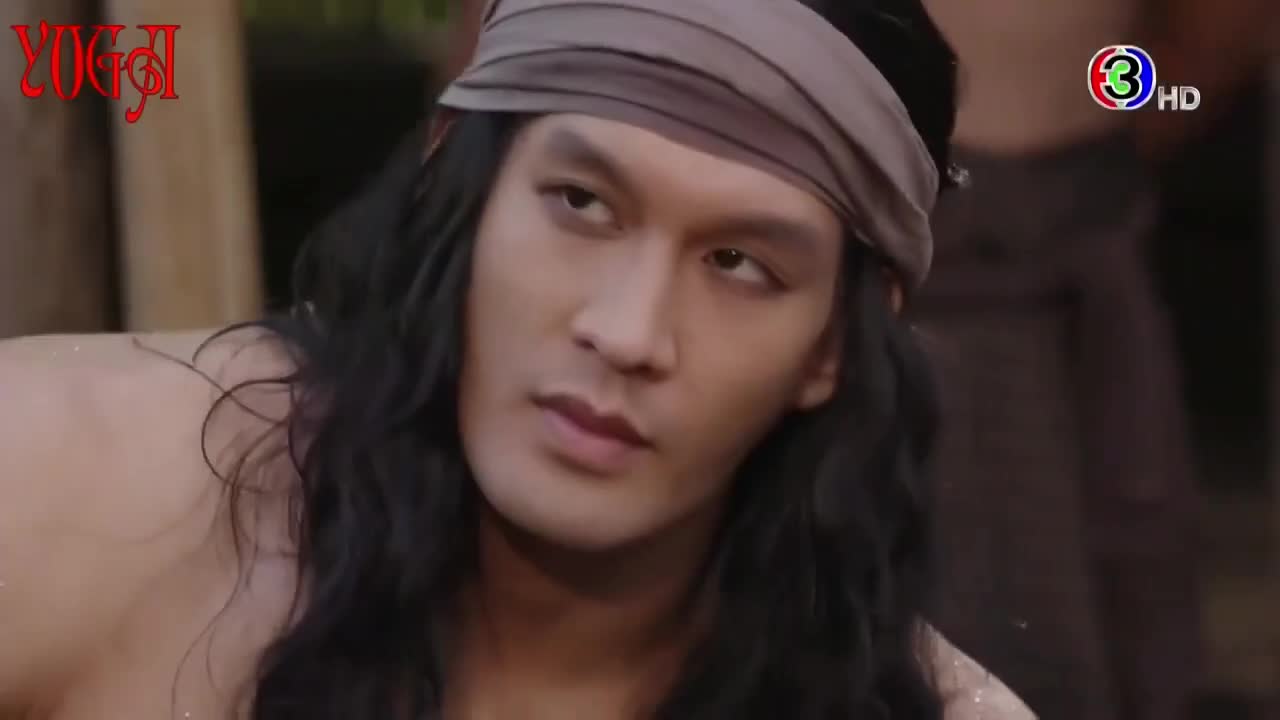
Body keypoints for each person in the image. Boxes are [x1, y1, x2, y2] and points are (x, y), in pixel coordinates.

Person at [0, 1, 1035, 718]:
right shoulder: (70, 487)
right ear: (452, 176)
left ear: (836, 342)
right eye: (580, 203)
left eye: (738, 264)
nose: (627, 333)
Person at [909, 1, 1276, 719]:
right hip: (911, 237)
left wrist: (1139, 102)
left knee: (1124, 596)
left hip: (1088, 201)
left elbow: (1218, 38)